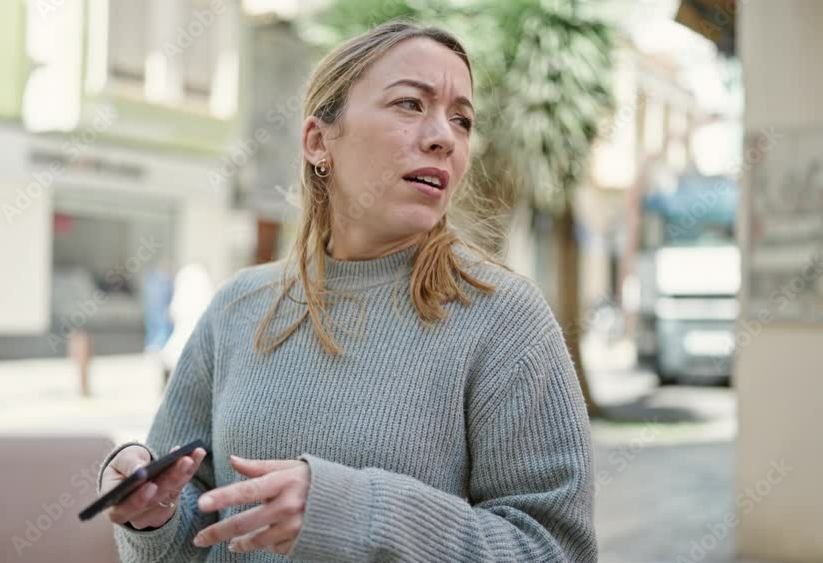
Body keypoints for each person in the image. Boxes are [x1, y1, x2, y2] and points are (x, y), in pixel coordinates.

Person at [96, 20, 596, 562]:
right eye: (409, 104)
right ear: (318, 141)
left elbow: (554, 550)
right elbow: (195, 527)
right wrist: (155, 516)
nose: (443, 136)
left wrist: (356, 512)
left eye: (462, 119)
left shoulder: (505, 319)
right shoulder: (236, 308)